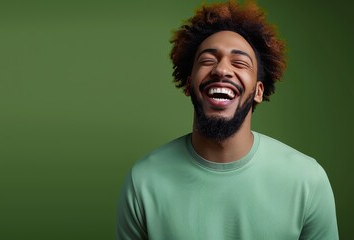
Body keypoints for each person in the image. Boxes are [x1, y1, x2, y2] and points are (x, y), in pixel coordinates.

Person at [116, 1, 339, 239]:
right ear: (189, 85)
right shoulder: (143, 181)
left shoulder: (307, 180)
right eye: (208, 60)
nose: (222, 70)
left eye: (240, 62)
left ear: (258, 91)